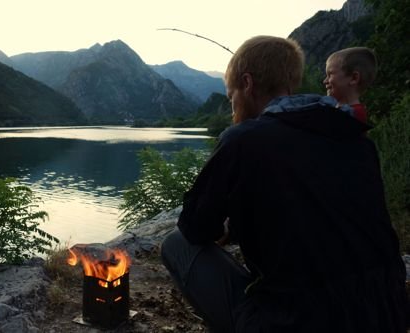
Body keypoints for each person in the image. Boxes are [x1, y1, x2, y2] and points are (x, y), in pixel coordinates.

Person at [161, 35, 407, 333]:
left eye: (231, 96)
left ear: (247, 84)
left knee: (177, 244)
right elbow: (313, 209)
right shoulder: (355, 139)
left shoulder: (245, 139)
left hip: (296, 321)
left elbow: (194, 225)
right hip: (385, 314)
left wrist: (224, 229)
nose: (232, 106)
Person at [324, 47, 377, 124]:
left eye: (330, 74)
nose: (325, 81)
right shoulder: (341, 111)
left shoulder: (353, 115)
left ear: (354, 78)